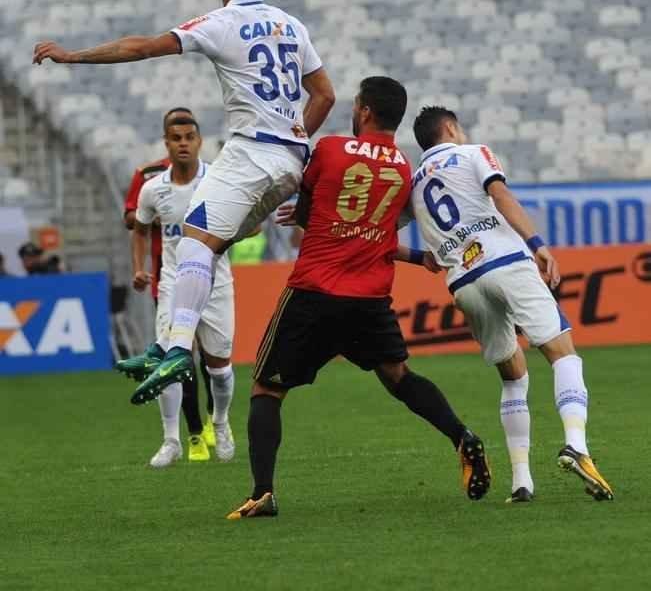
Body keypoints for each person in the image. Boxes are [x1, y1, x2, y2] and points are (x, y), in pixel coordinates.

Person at [33, 0, 335, 400]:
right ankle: (165, 346)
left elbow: (143, 47)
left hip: (250, 154)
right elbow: (325, 96)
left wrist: (74, 56)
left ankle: (174, 349)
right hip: (289, 164)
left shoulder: (220, 23)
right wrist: (294, 138)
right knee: (210, 246)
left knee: (192, 238)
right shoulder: (292, 26)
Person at [227, 77, 491, 520]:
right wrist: (415, 257)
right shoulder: (403, 168)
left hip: (314, 291)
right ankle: (462, 436)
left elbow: (315, 210)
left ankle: (263, 493)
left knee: (267, 388)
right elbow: (373, 234)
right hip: (368, 297)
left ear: (365, 111)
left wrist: (305, 218)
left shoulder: (329, 149)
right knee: (399, 376)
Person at [409, 106, 613, 503]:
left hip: (464, 284)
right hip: (503, 261)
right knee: (563, 353)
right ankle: (577, 446)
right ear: (450, 128)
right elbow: (500, 195)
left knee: (513, 375)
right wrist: (537, 243)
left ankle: (522, 481)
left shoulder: (414, 184)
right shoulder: (472, 154)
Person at [119, 113, 236, 467]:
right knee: (168, 361)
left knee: (219, 366)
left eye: (189, 137)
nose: (183, 143)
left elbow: (253, 223)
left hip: (216, 282)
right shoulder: (153, 188)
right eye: (176, 138)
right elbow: (139, 228)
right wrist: (140, 269)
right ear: (166, 144)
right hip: (171, 283)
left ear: (199, 141)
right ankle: (171, 440)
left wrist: (229, 235)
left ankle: (221, 422)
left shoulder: (219, 180)